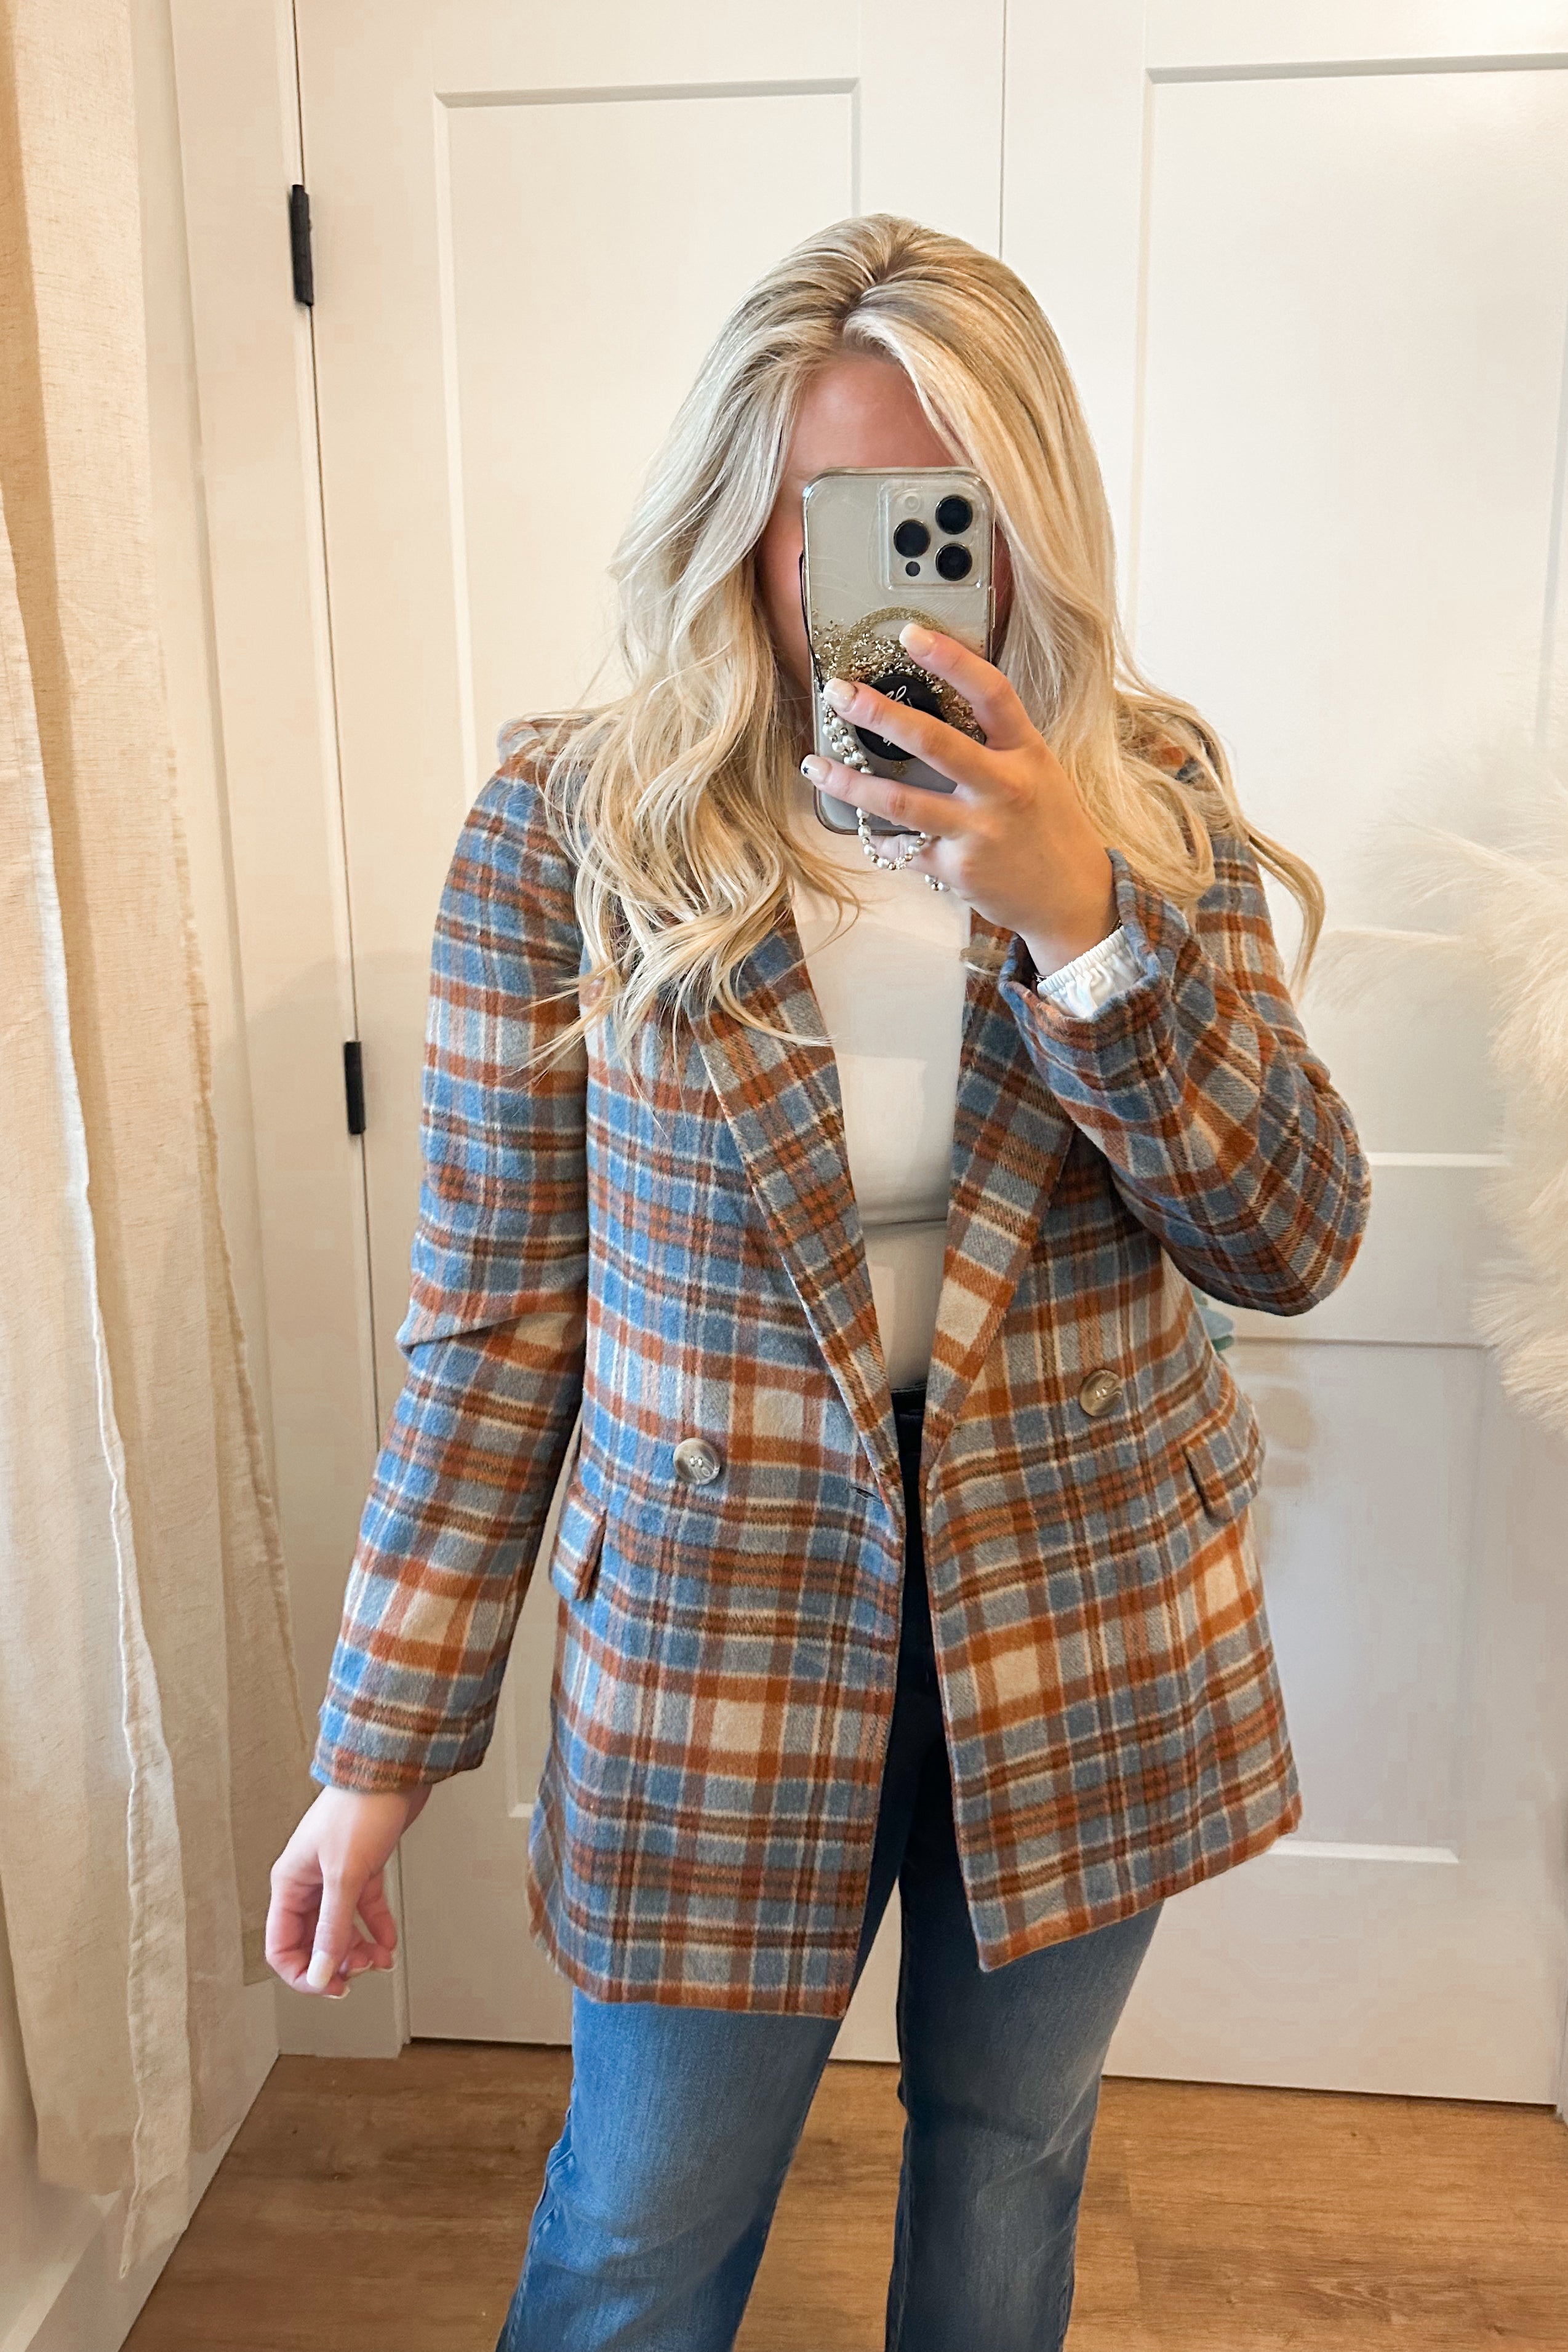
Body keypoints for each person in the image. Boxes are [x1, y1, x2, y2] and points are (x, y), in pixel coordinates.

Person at [266, 214, 1371, 2351]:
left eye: (945, 508)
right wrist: (374, 1755)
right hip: (716, 1651)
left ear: (1029, 518)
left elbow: (1294, 1237)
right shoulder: (572, 827)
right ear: (738, 520)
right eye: (821, 512)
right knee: (637, 2230)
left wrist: (1081, 928)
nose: (876, 571)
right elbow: (496, 1321)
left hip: (1082, 1625)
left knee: (1004, 2178)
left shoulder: (1148, 805)